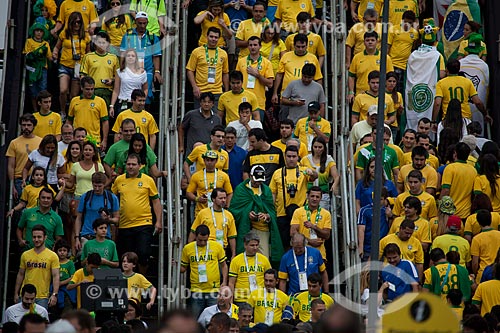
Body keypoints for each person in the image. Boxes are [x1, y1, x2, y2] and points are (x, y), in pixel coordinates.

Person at [111, 154, 162, 273]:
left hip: (143, 223)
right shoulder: (119, 180)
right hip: (124, 225)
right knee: (126, 258)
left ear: (140, 166)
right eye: (128, 164)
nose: (131, 167)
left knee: (143, 255)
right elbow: (113, 199)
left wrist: (158, 221)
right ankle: (128, 282)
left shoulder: (148, 180)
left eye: (134, 164)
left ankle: (142, 281)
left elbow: (156, 201)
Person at [229, 165, 283, 261]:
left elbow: (271, 210)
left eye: (260, 180)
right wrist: (247, 214)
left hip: (263, 230)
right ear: (250, 176)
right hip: (246, 229)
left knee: (263, 258)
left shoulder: (266, 190)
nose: (258, 182)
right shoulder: (241, 190)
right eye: (255, 180)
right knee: (245, 258)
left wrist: (267, 216)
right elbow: (234, 211)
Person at [270, 145, 318, 248]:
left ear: (298, 157)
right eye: (289, 156)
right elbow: (273, 193)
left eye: (294, 156)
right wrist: (273, 209)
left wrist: (312, 172)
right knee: (285, 243)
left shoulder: (303, 171)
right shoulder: (277, 173)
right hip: (282, 213)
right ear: (285, 156)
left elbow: (315, 176)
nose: (291, 159)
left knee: (302, 242)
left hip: (301, 213)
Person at [181, 225, 228, 318]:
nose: (202, 242)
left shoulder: (216, 246)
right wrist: (175, 264)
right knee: (196, 318)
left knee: (213, 319)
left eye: (205, 240)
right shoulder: (188, 248)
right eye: (200, 240)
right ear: (195, 236)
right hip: (196, 289)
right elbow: (183, 269)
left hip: (213, 289)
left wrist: (224, 281)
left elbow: (224, 265)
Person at [52, 11, 91, 117]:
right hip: (65, 64)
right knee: (63, 90)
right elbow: (57, 47)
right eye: (74, 22)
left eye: (78, 22)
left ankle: (71, 113)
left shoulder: (85, 36)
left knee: (74, 95)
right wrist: (55, 53)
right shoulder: (64, 33)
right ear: (70, 23)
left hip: (78, 66)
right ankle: (63, 111)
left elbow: (88, 53)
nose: (76, 25)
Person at [120, 11, 163, 104]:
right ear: (135, 22)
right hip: (130, 70)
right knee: (130, 94)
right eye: (140, 23)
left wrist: (157, 71)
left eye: (144, 23)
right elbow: (123, 54)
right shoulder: (128, 35)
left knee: (146, 95)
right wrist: (122, 68)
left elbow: (156, 56)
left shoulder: (152, 37)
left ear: (147, 23)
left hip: (147, 70)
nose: (142, 26)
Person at [14, 224, 60, 310]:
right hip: (25, 295)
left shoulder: (52, 256)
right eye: (34, 237)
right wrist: (16, 293)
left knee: (39, 322)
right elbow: (20, 274)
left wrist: (54, 294)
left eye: (39, 237)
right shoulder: (25, 255)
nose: (36, 239)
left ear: (45, 237)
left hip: (42, 297)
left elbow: (56, 276)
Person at [186, 27, 229, 110]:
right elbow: (190, 70)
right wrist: (194, 87)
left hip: (217, 92)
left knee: (216, 119)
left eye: (216, 37)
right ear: (207, 36)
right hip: (201, 91)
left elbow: (225, 73)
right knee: (199, 118)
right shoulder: (196, 52)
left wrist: (226, 91)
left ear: (219, 39)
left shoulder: (223, 54)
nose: (213, 39)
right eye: (211, 36)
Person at [272, 34, 322, 103]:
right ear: (294, 45)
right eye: (298, 47)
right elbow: (279, 75)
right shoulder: (286, 56)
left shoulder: (312, 58)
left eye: (303, 47)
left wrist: (319, 96)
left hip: (306, 96)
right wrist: (275, 93)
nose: (300, 49)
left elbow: (318, 78)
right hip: (287, 97)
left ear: (307, 46)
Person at [188, 188, 237, 256]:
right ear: (213, 199)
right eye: (220, 198)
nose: (223, 200)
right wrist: (189, 250)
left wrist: (233, 254)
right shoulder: (203, 213)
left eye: (225, 198)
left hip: (221, 249)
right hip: (205, 248)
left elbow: (232, 237)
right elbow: (193, 231)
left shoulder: (229, 215)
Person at [347, 31, 394, 102]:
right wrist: (351, 92)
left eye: (372, 40)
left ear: (377, 42)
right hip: (361, 96)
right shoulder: (357, 57)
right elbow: (351, 76)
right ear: (364, 42)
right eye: (367, 40)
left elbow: (390, 77)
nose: (370, 42)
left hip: (379, 96)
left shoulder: (385, 58)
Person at [228, 232, 272, 306]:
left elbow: (270, 279)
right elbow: (231, 283)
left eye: (257, 245)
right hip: (241, 299)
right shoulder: (236, 260)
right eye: (252, 245)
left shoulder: (264, 259)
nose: (255, 248)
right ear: (245, 245)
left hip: (259, 298)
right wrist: (231, 302)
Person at [66, 76, 109, 150]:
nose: (90, 92)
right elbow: (69, 120)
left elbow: (105, 122)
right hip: (77, 141)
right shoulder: (74, 101)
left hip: (94, 141)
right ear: (81, 88)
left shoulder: (100, 101)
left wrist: (104, 140)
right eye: (87, 89)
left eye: (92, 89)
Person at [186, 151, 233, 217]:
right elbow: (188, 193)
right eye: (207, 160)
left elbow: (230, 193)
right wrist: (197, 199)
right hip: (201, 212)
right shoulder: (196, 176)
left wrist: (226, 206)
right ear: (204, 160)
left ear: (216, 161)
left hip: (218, 212)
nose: (209, 162)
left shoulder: (223, 175)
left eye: (212, 160)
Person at [290, 186, 331, 260]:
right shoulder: (298, 212)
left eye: (317, 197)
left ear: (321, 198)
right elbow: (293, 233)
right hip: (301, 253)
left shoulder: (326, 214)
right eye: (312, 196)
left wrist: (314, 227)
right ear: (307, 196)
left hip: (319, 254)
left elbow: (327, 235)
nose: (314, 199)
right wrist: (308, 241)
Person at [235, 35, 274, 112]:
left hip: (259, 103)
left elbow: (270, 84)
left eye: (255, 45)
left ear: (260, 46)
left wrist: (258, 75)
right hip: (242, 101)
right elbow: (236, 80)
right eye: (250, 45)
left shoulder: (266, 63)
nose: (253, 47)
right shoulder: (241, 61)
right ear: (248, 47)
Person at [80, 31, 119, 106]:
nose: (101, 45)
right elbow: (83, 76)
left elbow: (118, 77)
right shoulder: (88, 57)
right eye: (99, 42)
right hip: (92, 91)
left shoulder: (114, 58)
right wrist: (86, 90)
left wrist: (112, 80)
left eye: (103, 43)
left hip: (107, 92)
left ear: (108, 44)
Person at [440, 142, 477, 220]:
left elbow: (446, 190)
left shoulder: (450, 168)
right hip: (466, 214)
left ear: (455, 153)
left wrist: (440, 206)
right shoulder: (473, 170)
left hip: (449, 213)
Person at [179, 92, 222, 156]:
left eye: (209, 102)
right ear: (200, 103)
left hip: (210, 156)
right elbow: (181, 128)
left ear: (213, 104)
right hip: (192, 154)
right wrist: (181, 146)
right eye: (204, 102)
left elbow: (219, 135)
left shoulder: (217, 119)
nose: (206, 104)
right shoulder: (191, 115)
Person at [23, 20, 52, 111]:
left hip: (43, 69)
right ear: (33, 31)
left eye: (41, 31)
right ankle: (35, 110)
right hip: (32, 69)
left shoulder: (45, 44)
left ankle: (42, 110)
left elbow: (50, 57)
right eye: (37, 30)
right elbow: (26, 54)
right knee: (33, 91)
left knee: (43, 89)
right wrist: (36, 53)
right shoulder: (29, 41)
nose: (39, 33)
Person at [387, 11, 419, 90]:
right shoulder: (393, 29)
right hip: (392, 64)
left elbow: (413, 48)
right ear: (402, 20)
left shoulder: (414, 33)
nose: (407, 24)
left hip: (405, 66)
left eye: (410, 22)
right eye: (405, 21)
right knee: (390, 89)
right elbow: (387, 47)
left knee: (401, 90)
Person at [357, 187, 391, 261]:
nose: (377, 201)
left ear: (385, 199)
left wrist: (390, 216)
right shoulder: (365, 210)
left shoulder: (387, 211)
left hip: (383, 249)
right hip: (368, 248)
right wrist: (361, 247)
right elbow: (361, 229)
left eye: (381, 199)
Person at [111, 49, 148, 113]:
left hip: (137, 104)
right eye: (128, 56)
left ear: (136, 58)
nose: (130, 57)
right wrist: (112, 106)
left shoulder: (142, 72)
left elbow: (145, 89)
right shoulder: (120, 72)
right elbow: (116, 91)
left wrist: (141, 100)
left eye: (133, 56)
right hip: (123, 103)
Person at [471, 210, 500, 283]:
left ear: (478, 222)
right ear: (491, 220)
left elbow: (475, 262)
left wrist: (475, 274)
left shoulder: (476, 239)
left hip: (483, 274)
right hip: (498, 272)